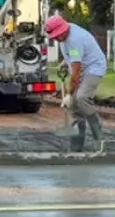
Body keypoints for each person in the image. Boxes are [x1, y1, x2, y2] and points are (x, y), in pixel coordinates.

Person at [45, 15, 106, 152]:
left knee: (82, 97)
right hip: (80, 67)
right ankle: (77, 146)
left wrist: (68, 94)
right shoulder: (64, 35)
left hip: (94, 68)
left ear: (63, 30)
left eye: (56, 35)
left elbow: (76, 73)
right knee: (75, 106)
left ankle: (98, 133)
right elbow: (73, 57)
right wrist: (65, 63)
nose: (55, 38)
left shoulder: (74, 39)